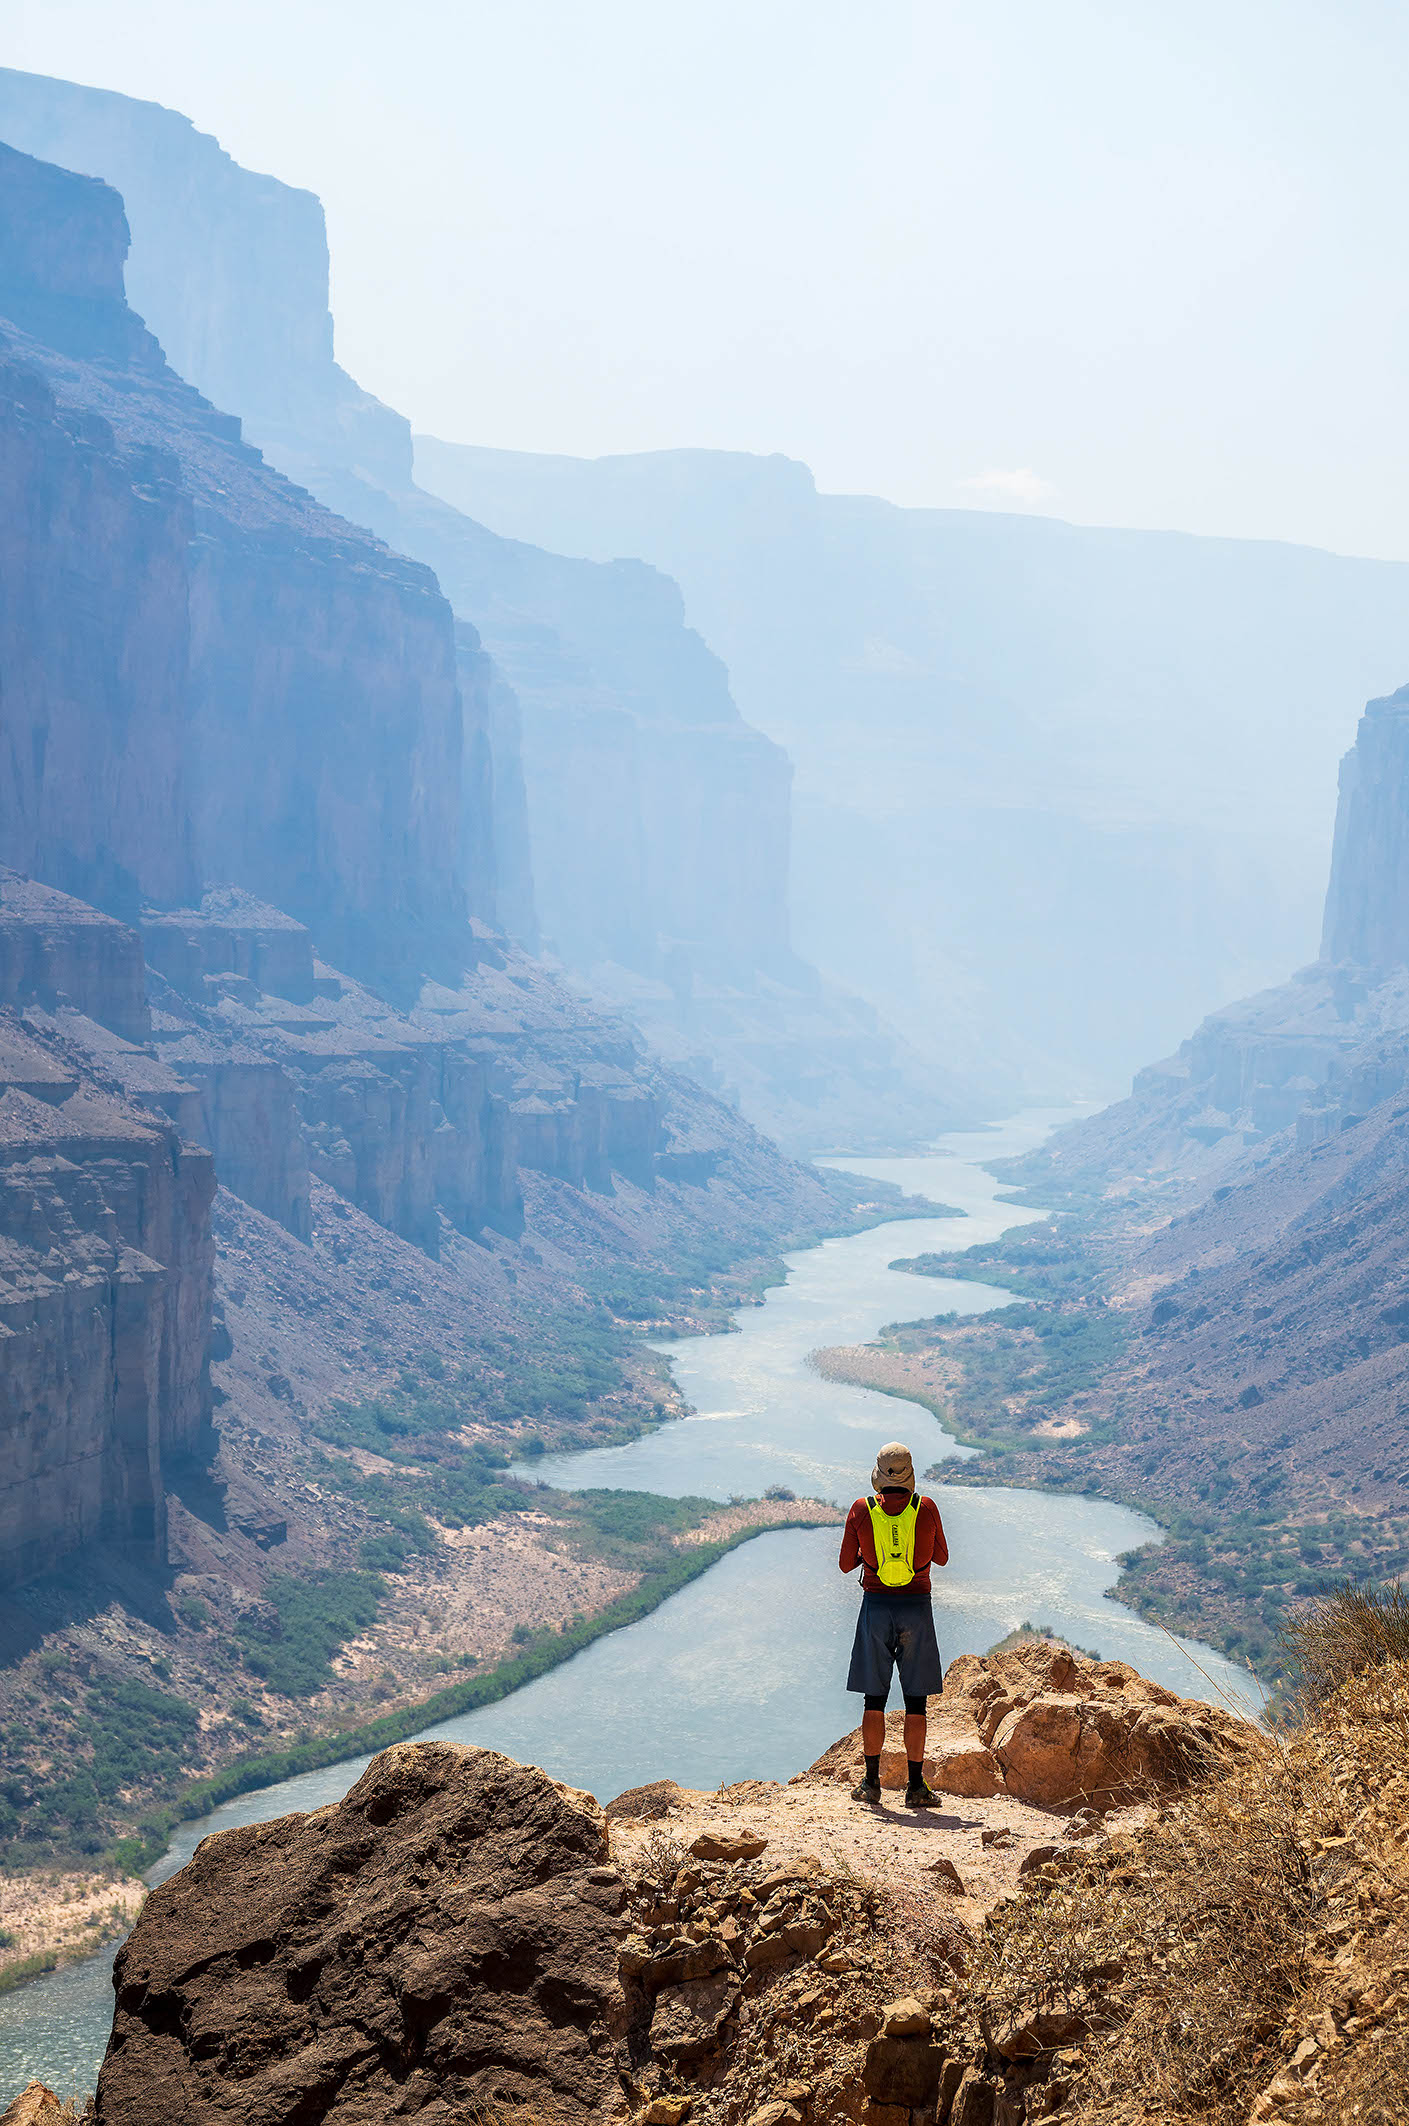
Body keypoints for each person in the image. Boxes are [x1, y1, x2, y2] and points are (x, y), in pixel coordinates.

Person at [838, 1440, 948, 1808]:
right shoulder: (926, 1507)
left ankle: (871, 1783)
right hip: (916, 1606)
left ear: (879, 1474)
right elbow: (942, 1558)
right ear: (910, 1472)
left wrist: (871, 1555)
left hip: (876, 1606)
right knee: (916, 1702)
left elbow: (844, 1564)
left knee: (875, 1698)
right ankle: (916, 1787)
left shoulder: (861, 1509)